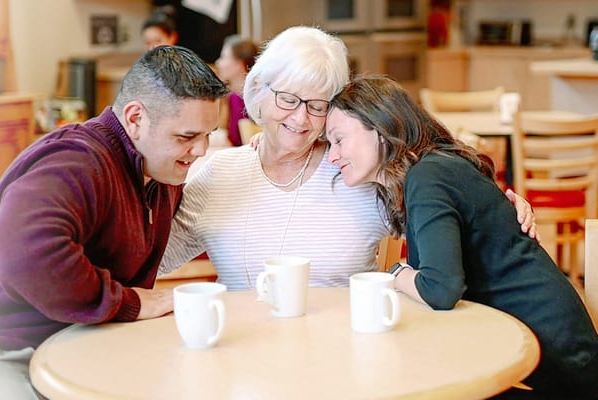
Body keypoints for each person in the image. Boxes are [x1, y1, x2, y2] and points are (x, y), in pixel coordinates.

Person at [0, 46, 229, 399]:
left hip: (69, 341)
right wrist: (128, 303)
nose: (200, 150)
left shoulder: (161, 173)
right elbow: (18, 256)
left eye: (208, 135)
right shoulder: (76, 160)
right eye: (186, 137)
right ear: (136, 118)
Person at [158, 26, 536, 291]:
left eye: (318, 105)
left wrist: (498, 213)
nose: (300, 119)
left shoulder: (357, 173)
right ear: (257, 88)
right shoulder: (220, 173)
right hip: (241, 359)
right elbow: (152, 258)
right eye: (288, 99)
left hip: (345, 356)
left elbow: (453, 220)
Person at [325, 74, 598, 399]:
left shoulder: (428, 177)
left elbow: (440, 289)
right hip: (540, 355)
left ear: (380, 127)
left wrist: (396, 273)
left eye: (339, 140)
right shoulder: (434, 169)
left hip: (555, 374)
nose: (332, 156)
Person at [214, 35, 260, 146]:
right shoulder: (233, 96)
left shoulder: (257, 98)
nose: (218, 63)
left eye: (224, 57)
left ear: (239, 64)